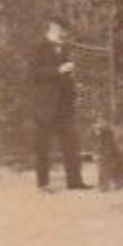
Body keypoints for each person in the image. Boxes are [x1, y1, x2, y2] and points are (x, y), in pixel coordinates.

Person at [31, 19, 89, 191]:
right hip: (46, 105)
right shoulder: (38, 46)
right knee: (43, 145)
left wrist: (70, 74)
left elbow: (66, 74)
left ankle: (75, 182)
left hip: (65, 105)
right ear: (53, 27)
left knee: (72, 143)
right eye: (62, 29)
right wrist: (58, 70)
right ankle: (43, 184)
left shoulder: (64, 47)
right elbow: (34, 73)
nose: (64, 33)